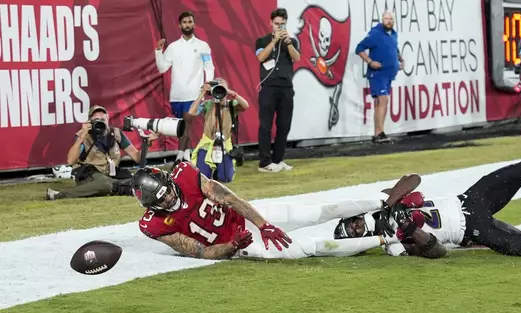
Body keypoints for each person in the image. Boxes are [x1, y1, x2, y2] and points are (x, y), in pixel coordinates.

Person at [334, 160, 521, 258]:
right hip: (473, 229)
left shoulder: (386, 200)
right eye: (354, 231)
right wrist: (408, 227)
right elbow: (437, 252)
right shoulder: (392, 245)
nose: (357, 226)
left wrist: (393, 204)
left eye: (352, 223)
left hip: (470, 199)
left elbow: (414, 178)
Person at [132, 162, 398, 259]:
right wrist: (232, 246)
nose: (168, 197)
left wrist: (263, 224)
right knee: (311, 247)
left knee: (315, 212)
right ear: (150, 206)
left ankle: (382, 203)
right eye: (161, 199)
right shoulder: (153, 225)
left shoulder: (186, 174)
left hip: (248, 220)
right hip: (239, 246)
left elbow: (230, 198)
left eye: (167, 189)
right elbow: (200, 251)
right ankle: (386, 239)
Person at [46, 105, 156, 200]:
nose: (100, 123)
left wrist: (146, 144)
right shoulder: (84, 135)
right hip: (89, 175)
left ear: (108, 119)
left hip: (111, 174)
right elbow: (70, 160)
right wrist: (81, 137)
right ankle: (60, 195)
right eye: (96, 120)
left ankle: (119, 186)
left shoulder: (116, 133)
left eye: (102, 119)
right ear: (90, 122)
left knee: (138, 179)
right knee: (105, 183)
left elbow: (137, 158)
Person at [155, 11, 215, 162]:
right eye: (185, 22)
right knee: (182, 125)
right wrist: (158, 51)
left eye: (190, 22)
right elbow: (162, 68)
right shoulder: (173, 47)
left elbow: (209, 67)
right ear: (180, 25)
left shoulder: (202, 46)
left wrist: (208, 84)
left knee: (187, 123)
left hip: (195, 94)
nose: (187, 25)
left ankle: (181, 157)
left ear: (194, 24)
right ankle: (186, 156)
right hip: (177, 95)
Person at [255, 8, 300, 173]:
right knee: (265, 125)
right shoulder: (262, 41)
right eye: (277, 24)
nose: (279, 27)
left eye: (282, 24)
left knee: (284, 125)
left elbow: (296, 58)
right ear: (271, 23)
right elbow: (260, 57)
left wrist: (287, 43)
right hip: (268, 87)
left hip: (286, 87)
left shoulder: (292, 42)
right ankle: (265, 162)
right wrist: (274, 42)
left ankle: (278, 159)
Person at [186, 78, 249, 182]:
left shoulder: (231, 104)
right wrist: (203, 93)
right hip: (207, 144)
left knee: (226, 178)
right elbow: (191, 112)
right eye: (217, 88)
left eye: (222, 88)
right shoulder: (208, 104)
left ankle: (217, 173)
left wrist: (230, 92)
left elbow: (246, 105)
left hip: (225, 145)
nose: (220, 91)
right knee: (202, 177)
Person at [355, 11, 405, 144]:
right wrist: (370, 62)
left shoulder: (393, 34)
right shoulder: (375, 34)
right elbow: (359, 48)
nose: (389, 21)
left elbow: (395, 49)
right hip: (377, 74)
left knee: (382, 102)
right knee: (382, 100)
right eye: (386, 18)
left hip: (388, 75)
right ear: (382, 20)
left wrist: (400, 60)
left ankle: (379, 133)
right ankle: (379, 133)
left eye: (391, 19)